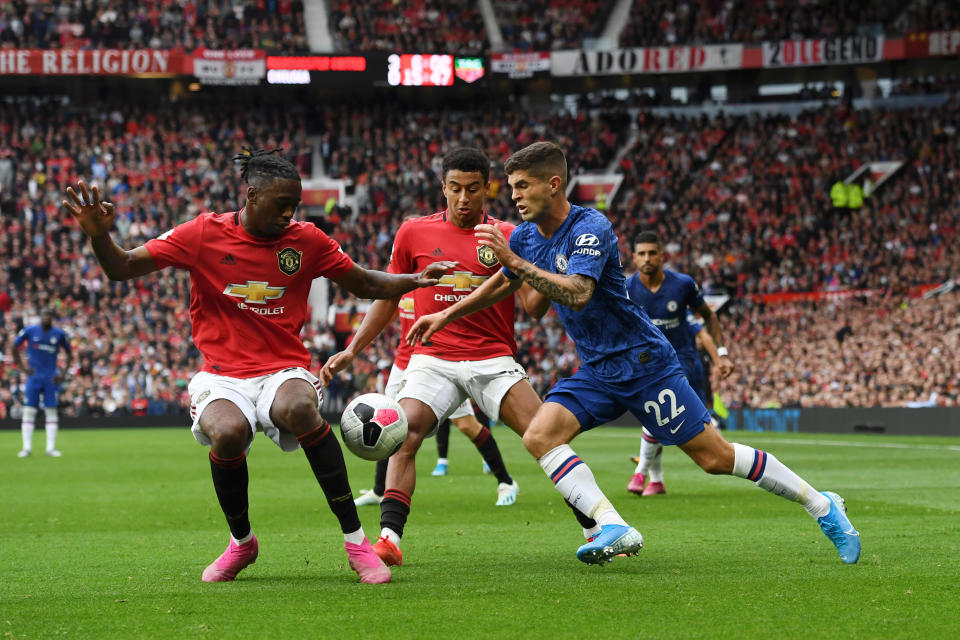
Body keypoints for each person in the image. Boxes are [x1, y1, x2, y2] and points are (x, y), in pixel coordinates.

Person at [408, 141, 861, 565]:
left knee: (714, 459)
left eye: (522, 186)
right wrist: (446, 316)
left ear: (553, 184)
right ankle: (613, 525)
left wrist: (518, 262)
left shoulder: (591, 226)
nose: (514, 197)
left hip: (644, 363)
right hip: (598, 369)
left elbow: (579, 293)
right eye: (510, 188)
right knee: (540, 435)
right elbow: (509, 288)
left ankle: (822, 504)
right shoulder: (526, 237)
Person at [62, 148, 454, 585]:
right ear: (250, 195)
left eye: (294, 205)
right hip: (221, 374)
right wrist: (99, 236)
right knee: (228, 433)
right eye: (280, 204)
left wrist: (413, 281)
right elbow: (122, 267)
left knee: (302, 410)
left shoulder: (307, 240)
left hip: (283, 368)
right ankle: (242, 543)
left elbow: (364, 282)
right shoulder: (202, 233)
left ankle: (357, 542)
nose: (289, 214)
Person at [323, 147, 564, 568]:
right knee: (403, 431)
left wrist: (541, 266)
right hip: (431, 359)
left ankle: (598, 523)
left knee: (544, 437)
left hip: (492, 359)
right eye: (455, 189)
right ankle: (389, 539)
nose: (464, 198)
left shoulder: (508, 233)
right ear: (443, 189)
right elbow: (386, 296)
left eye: (473, 189)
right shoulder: (413, 233)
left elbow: (532, 305)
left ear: (487, 189)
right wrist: (353, 349)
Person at [348, 292, 518, 508]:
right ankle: (380, 490)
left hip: (437, 364)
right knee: (385, 422)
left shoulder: (433, 281)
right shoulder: (400, 281)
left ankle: (506, 481)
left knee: (467, 425)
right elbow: (385, 312)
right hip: (403, 363)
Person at [625, 231, 735, 497]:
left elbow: (708, 319)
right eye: (642, 254)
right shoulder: (627, 288)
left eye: (653, 253)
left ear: (662, 256)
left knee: (663, 414)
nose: (647, 258)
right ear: (634, 258)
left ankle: (643, 473)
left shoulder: (682, 286)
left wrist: (721, 354)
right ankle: (656, 479)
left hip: (681, 363)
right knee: (655, 415)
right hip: (648, 363)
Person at [13, 307, 72, 457]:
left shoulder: (59, 334)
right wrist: (22, 368)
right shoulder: (30, 330)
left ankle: (50, 448)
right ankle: (26, 448)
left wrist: (63, 373)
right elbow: (14, 346)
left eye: (49, 315)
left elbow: (69, 353)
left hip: (51, 378)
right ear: (40, 316)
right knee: (29, 410)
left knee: (51, 411)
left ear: (52, 318)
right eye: (44, 315)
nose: (46, 317)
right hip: (34, 377)